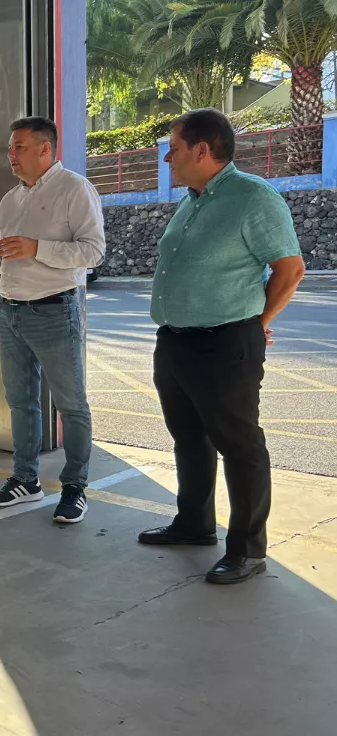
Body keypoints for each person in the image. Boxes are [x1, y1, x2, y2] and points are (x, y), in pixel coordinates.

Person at [138, 109, 305, 585]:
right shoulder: (192, 201)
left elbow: (290, 271)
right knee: (189, 438)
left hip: (224, 343)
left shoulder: (253, 198)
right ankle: (193, 523)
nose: (168, 156)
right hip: (175, 343)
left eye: (174, 146)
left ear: (202, 150)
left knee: (240, 446)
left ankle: (249, 550)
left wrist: (256, 324)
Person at [0, 116, 104, 524]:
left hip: (54, 309)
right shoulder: (10, 200)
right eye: (11, 148)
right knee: (20, 403)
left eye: (19, 147)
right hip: (10, 309)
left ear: (46, 149)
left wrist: (37, 247)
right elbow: (6, 257)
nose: (11, 155)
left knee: (71, 404)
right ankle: (26, 480)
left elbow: (93, 252)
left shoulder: (75, 189)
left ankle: (75, 486)